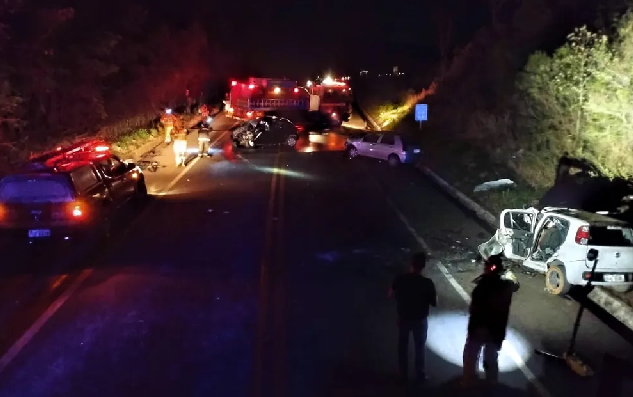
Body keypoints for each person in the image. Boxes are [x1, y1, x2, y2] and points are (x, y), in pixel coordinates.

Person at [463, 254, 520, 386]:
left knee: (471, 356)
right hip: (496, 330)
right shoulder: (506, 287)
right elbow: (515, 285)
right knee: (491, 359)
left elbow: (474, 310)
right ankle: (491, 383)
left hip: (479, 329)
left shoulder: (481, 287)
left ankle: (468, 382)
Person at [389, 252, 437, 383]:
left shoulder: (400, 279)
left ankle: (402, 374)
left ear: (411, 264)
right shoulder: (427, 283)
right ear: (423, 266)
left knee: (402, 346)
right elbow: (434, 302)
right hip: (419, 319)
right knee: (419, 347)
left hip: (404, 317)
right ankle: (419, 374)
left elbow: (390, 295)